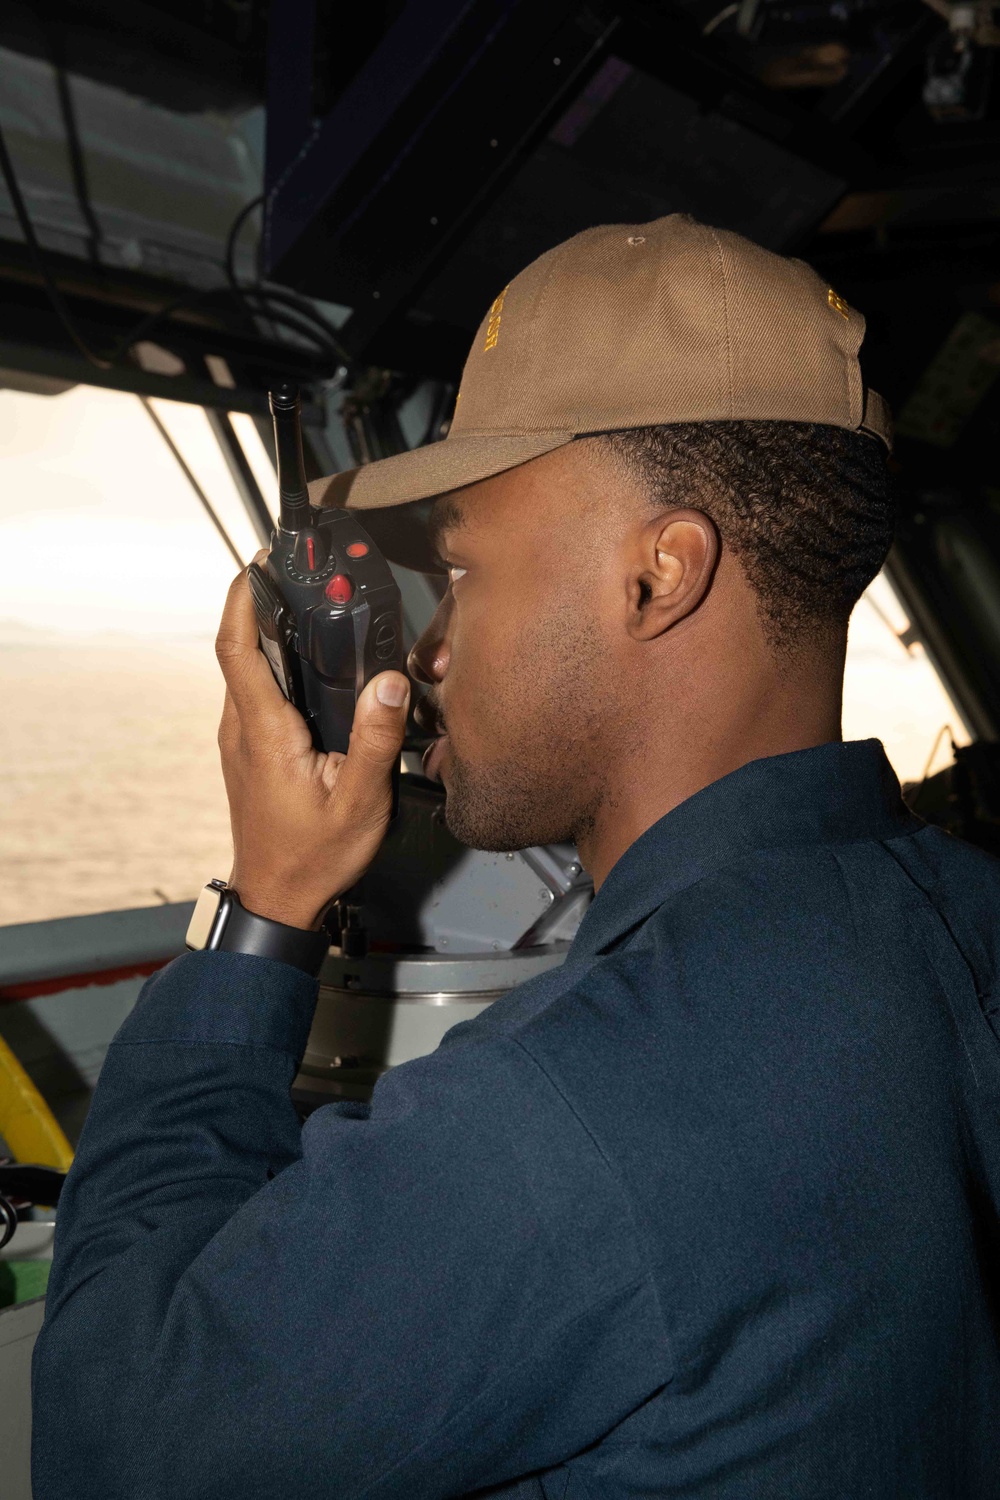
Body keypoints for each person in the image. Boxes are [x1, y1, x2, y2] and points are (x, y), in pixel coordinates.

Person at [31, 215, 1000, 1499]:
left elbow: (111, 1445)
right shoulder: (965, 912)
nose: (432, 654)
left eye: (467, 570)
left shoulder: (579, 1106)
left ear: (658, 578)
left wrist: (266, 905)